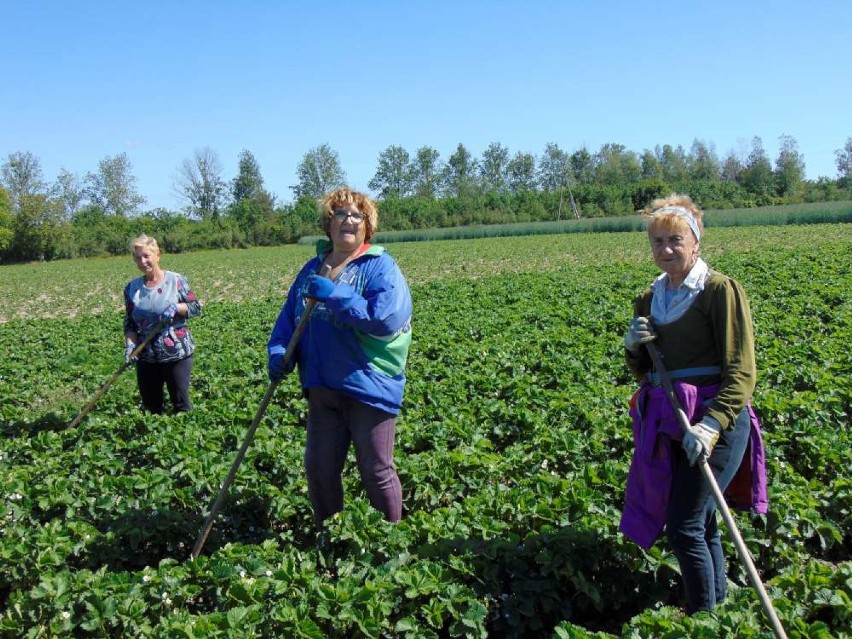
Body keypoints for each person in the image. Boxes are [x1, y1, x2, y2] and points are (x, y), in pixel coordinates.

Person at [619, 194, 767, 615]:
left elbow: (741, 371)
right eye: (657, 242)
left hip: (716, 421)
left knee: (684, 524)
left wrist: (712, 424)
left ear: (696, 242)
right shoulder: (649, 299)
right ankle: (716, 610)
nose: (665, 250)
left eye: (675, 240)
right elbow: (645, 370)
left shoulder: (718, 290)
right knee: (701, 523)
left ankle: (701, 617)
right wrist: (633, 347)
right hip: (672, 420)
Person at [267, 187, 412, 528]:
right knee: (319, 470)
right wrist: (278, 351)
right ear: (328, 223)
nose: (348, 220)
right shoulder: (312, 269)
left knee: (376, 470)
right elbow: (288, 320)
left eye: (356, 215)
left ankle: (390, 541)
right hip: (322, 387)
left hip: (369, 385)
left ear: (367, 225)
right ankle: (330, 535)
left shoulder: (380, 266)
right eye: (340, 213)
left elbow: (386, 318)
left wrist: (336, 295)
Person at [124, 234, 201, 414]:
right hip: (146, 356)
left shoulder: (176, 280)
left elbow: (195, 307)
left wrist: (176, 307)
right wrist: (130, 346)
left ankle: (185, 436)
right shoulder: (131, 288)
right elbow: (130, 323)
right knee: (151, 408)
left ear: (157, 255)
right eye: (138, 258)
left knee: (181, 404)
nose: (142, 261)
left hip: (176, 354)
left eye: (146, 256)